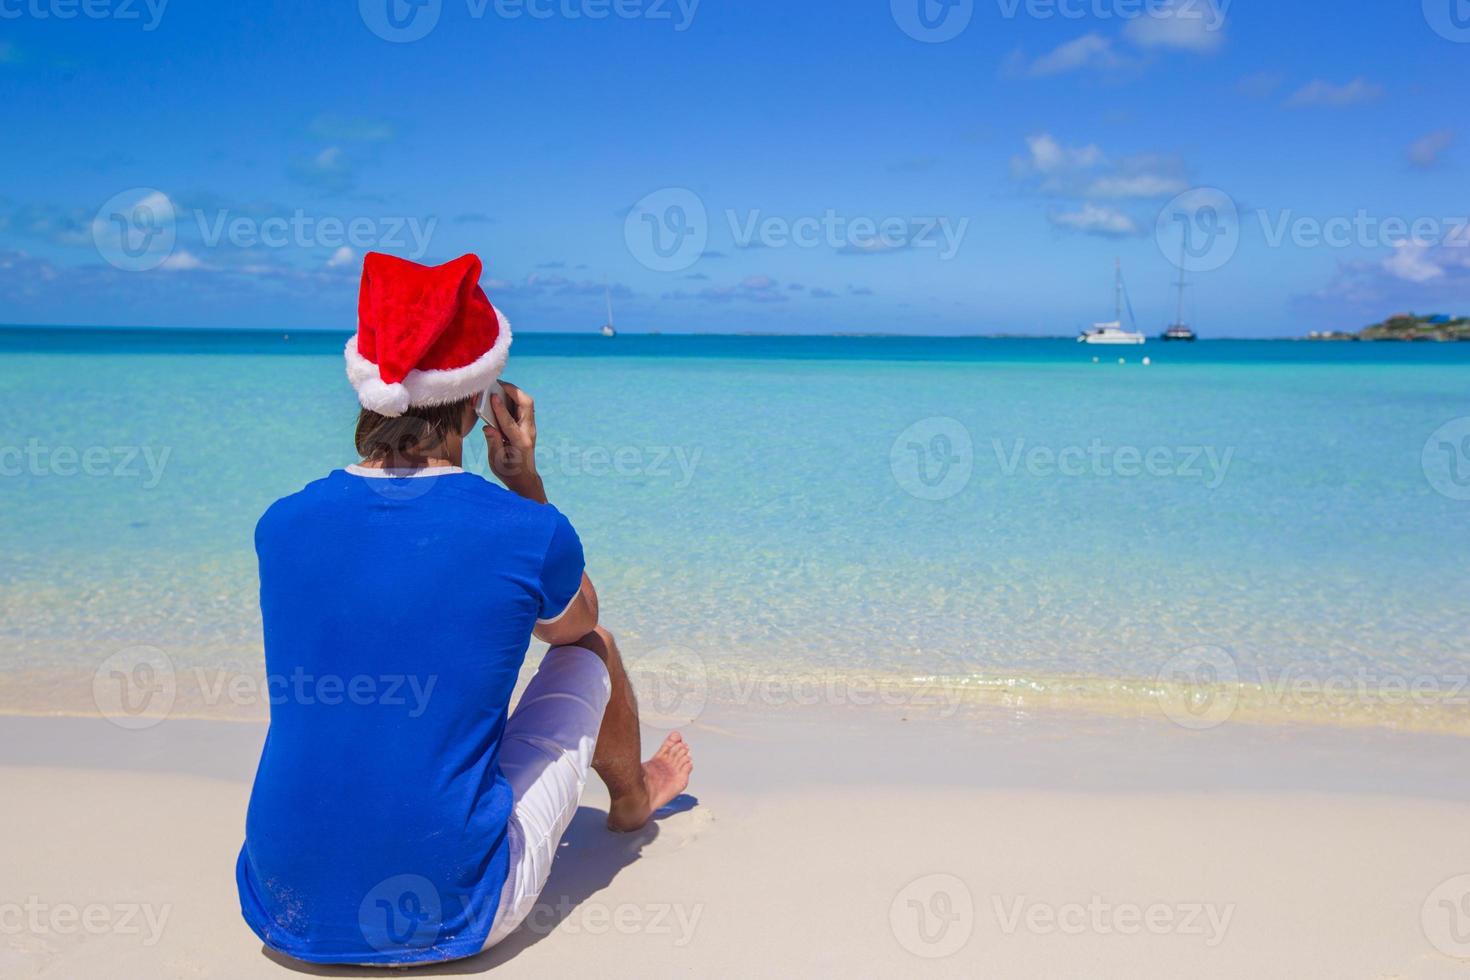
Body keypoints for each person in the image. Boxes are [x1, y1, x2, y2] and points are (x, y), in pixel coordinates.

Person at [235, 251, 692, 966]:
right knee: (592, 647)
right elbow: (568, 625)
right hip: (454, 909)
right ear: (477, 397)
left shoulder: (280, 522)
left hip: (278, 899)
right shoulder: (524, 529)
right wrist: (526, 481)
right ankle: (634, 796)